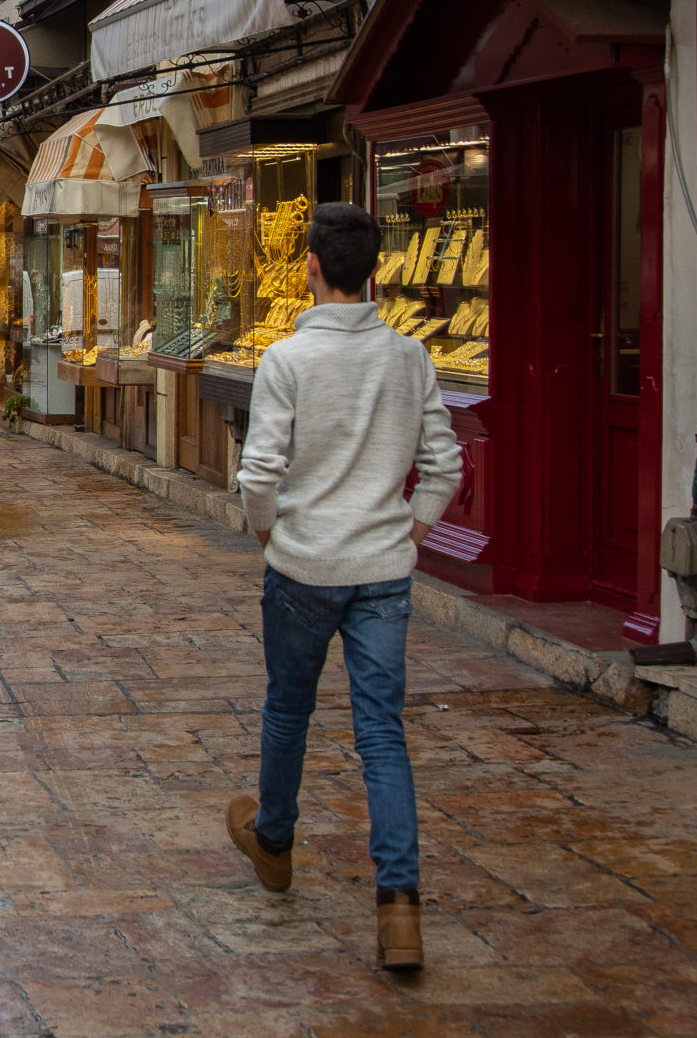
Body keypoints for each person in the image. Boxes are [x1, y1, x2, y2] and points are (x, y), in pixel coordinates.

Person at [226, 202, 461, 974]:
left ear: (312, 266)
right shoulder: (409, 357)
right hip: (383, 569)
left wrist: (268, 531)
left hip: (304, 564)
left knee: (288, 708)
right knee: (381, 734)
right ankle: (399, 909)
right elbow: (444, 463)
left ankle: (276, 838)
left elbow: (260, 472)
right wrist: (414, 529)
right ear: (375, 272)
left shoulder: (289, 360)